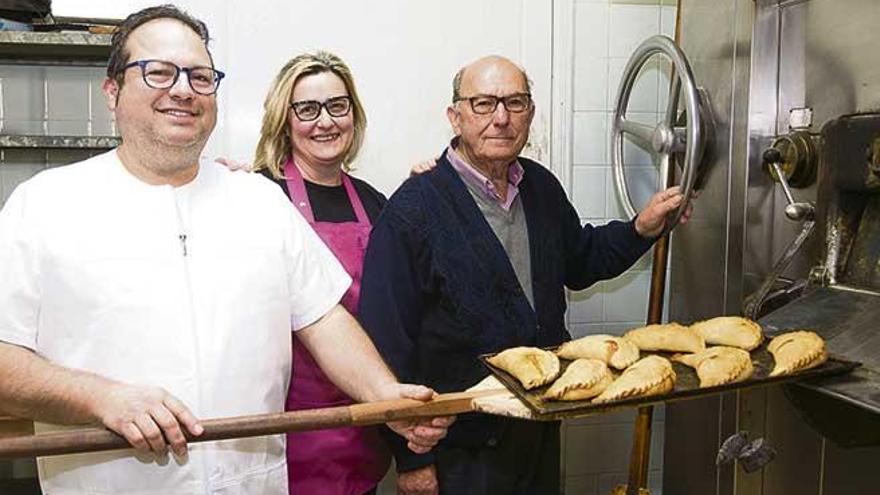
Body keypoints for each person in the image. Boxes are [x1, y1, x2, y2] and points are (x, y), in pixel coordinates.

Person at [0, 6, 450, 494]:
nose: (183, 89)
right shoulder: (44, 204)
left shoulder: (259, 202)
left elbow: (324, 319)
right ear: (112, 91)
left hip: (251, 484)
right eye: (158, 72)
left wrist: (385, 395)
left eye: (200, 76)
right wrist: (100, 398)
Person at [358, 55, 692, 495]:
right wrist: (413, 459)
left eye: (515, 102)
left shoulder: (540, 187)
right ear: (454, 116)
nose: (501, 117)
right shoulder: (414, 209)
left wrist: (640, 229)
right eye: (483, 103)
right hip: (460, 450)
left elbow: (582, 260)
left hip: (538, 424)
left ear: (531, 114)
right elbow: (385, 342)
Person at [249, 51, 389, 495]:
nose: (325, 121)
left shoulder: (374, 202)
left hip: (364, 413)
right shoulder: (260, 197)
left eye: (338, 106)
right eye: (307, 109)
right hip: (292, 424)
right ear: (284, 120)